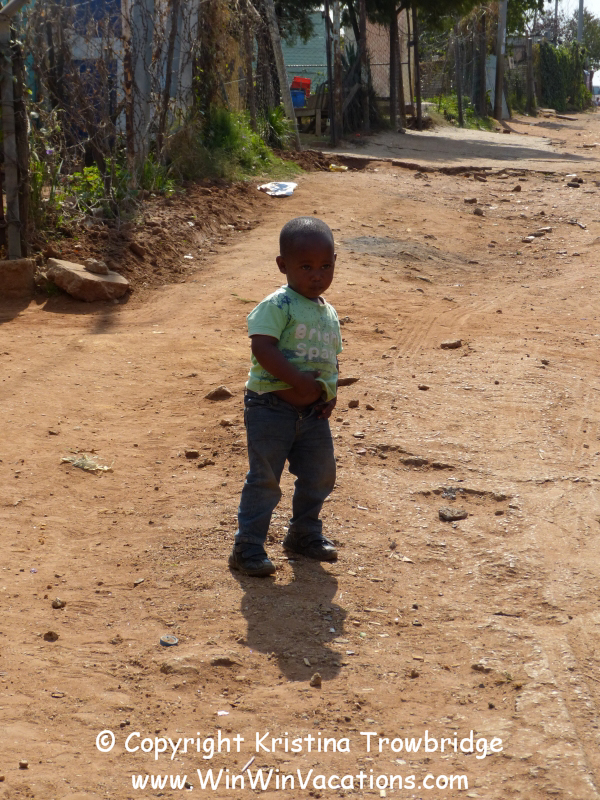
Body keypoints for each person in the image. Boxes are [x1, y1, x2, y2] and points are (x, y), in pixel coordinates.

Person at [229, 217, 342, 577]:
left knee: (320, 474)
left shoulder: (328, 312)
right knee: (265, 478)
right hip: (270, 407)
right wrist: (297, 380)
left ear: (335, 263)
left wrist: (329, 393)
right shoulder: (278, 305)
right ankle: (247, 547)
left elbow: (330, 359)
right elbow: (262, 347)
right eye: (306, 267)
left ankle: (303, 533)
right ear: (283, 265)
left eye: (325, 266)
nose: (317, 275)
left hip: (312, 414)